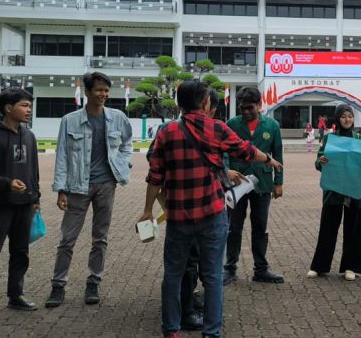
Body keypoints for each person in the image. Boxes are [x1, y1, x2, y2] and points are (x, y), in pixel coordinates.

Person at [140, 79, 283, 338]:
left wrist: (148, 210)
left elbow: (155, 176)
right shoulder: (216, 128)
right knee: (213, 276)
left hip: (178, 216)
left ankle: (171, 330)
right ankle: (211, 332)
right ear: (205, 102)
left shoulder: (167, 131)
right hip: (211, 214)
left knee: (172, 274)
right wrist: (269, 159)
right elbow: (246, 151)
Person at [45, 72, 133, 308]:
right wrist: (60, 189)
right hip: (77, 186)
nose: (103, 94)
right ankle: (58, 285)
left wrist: (123, 165)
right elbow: (62, 156)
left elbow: (127, 144)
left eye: (106, 90)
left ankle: (94, 281)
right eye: (98, 90)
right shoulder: (70, 120)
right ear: (87, 92)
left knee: (100, 237)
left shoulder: (118, 118)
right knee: (67, 239)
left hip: (106, 185)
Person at [0, 87, 41, 320]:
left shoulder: (29, 135)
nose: (28, 110)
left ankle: (15, 295)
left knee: (21, 252)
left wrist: (35, 197)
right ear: (8, 108)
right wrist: (6, 183)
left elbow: (34, 170)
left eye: (29, 106)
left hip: (24, 205)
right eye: (24, 105)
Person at [223, 87, 286, 285]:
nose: (246, 112)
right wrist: (226, 171)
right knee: (234, 228)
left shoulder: (272, 125)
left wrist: (279, 182)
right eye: (242, 108)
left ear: (259, 105)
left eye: (250, 107)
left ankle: (261, 269)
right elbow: (223, 151)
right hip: (237, 183)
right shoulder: (231, 124)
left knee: (260, 227)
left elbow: (278, 154)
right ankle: (229, 269)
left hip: (263, 184)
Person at [308, 104, 361, 281]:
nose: (347, 119)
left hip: (355, 190)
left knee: (353, 228)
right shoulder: (330, 139)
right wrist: (320, 161)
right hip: (334, 190)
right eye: (344, 116)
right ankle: (319, 266)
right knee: (327, 228)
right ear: (337, 119)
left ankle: (350, 267)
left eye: (350, 116)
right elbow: (318, 162)